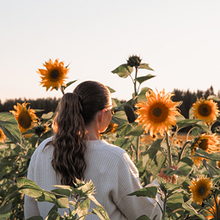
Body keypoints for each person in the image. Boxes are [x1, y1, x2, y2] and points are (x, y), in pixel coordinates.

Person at [24, 80, 163, 220]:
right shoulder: (115, 158)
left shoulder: (42, 150)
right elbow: (146, 215)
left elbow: (31, 211)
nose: (112, 114)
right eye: (111, 110)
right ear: (101, 114)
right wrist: (161, 186)